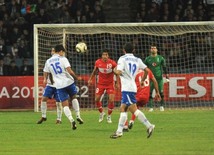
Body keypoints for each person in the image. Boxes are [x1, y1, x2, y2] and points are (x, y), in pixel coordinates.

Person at [110, 42, 159, 139]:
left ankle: (149, 126)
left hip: (127, 88)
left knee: (133, 110)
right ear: (133, 50)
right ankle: (119, 131)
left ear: (124, 50)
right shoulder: (138, 59)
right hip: (132, 87)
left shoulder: (122, 59)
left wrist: (114, 70)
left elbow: (118, 72)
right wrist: (144, 79)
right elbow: (146, 70)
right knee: (123, 108)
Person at [43, 45, 84, 130]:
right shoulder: (63, 59)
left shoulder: (48, 61)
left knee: (65, 104)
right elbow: (69, 71)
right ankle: (78, 115)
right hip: (69, 82)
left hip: (59, 85)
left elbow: (46, 72)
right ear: (61, 51)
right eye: (63, 52)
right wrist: (77, 78)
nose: (63, 54)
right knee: (73, 97)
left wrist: (45, 79)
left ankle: (71, 120)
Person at [88, 49, 119, 123]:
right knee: (96, 99)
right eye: (103, 55)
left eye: (106, 55)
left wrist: (117, 83)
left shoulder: (112, 63)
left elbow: (116, 73)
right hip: (100, 84)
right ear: (101, 56)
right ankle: (102, 113)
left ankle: (109, 116)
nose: (104, 56)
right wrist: (90, 79)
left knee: (111, 99)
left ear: (108, 56)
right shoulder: (98, 62)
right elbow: (94, 71)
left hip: (110, 84)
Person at [37, 48, 63, 124]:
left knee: (58, 102)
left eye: (53, 50)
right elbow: (45, 71)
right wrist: (45, 79)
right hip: (50, 85)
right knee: (44, 99)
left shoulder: (61, 60)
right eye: (51, 50)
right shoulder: (48, 61)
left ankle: (59, 119)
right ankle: (43, 116)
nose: (51, 52)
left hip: (58, 85)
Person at [145, 44, 169, 112]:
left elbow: (164, 67)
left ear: (157, 50)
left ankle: (161, 106)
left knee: (161, 93)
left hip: (159, 79)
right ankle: (151, 107)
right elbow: (145, 68)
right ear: (150, 50)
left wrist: (167, 75)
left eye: (154, 48)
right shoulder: (147, 59)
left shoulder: (160, 58)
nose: (153, 49)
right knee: (150, 93)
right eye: (152, 48)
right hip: (151, 79)